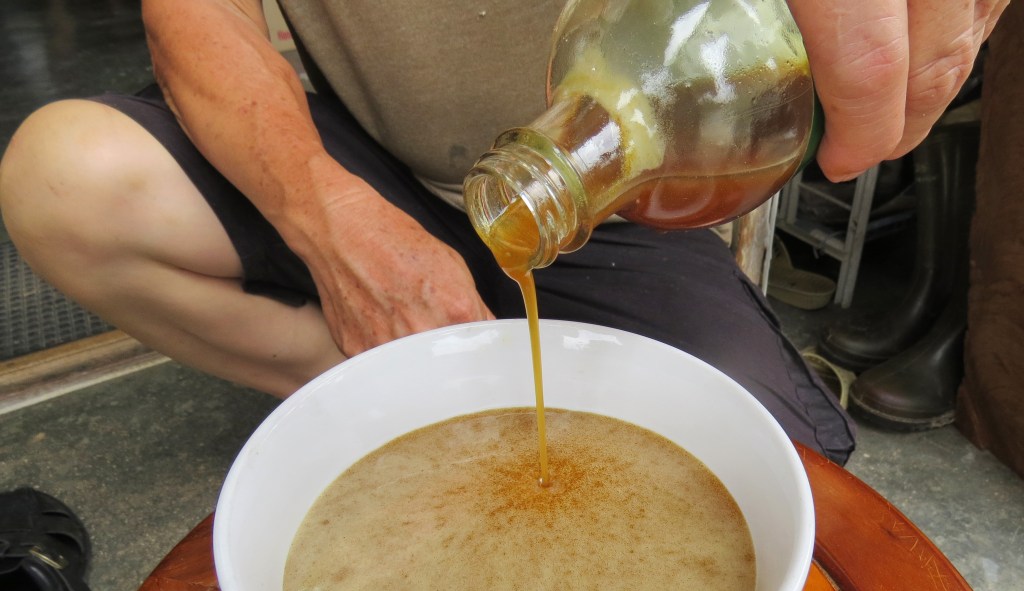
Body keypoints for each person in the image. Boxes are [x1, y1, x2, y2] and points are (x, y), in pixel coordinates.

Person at [0, 0, 1007, 466]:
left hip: (611, 178)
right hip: (351, 149)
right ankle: (369, 387)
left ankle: (446, 380)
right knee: (65, 176)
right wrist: (332, 222)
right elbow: (196, 13)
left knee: (773, 458)